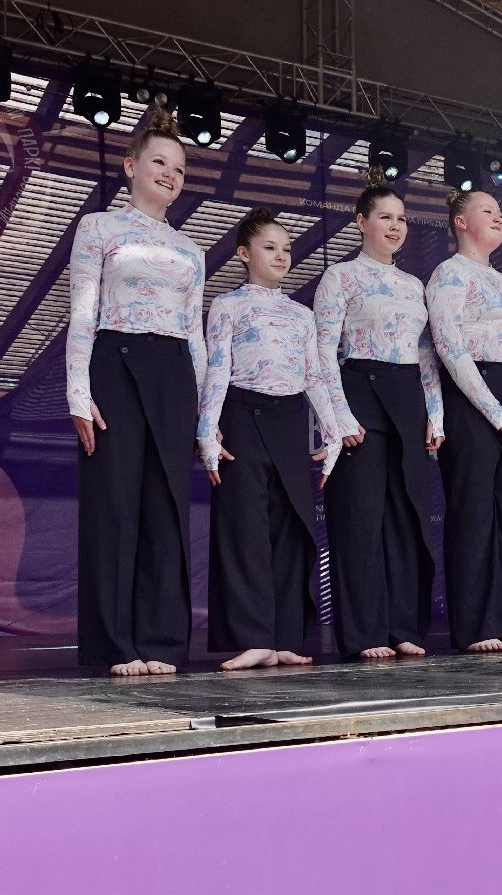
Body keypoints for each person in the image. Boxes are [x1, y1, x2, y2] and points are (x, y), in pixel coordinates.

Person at [68, 109, 206, 677]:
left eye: (178, 168)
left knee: (166, 508)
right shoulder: (98, 228)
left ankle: (162, 641)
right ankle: (114, 645)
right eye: (158, 162)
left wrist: (205, 415)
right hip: (115, 363)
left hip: (174, 369)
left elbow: (195, 333)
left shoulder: (192, 250)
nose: (170, 174)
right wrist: (78, 391)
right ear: (131, 166)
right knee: (114, 507)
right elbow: (81, 314)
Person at [200, 208, 344, 671]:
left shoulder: (301, 314)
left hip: (288, 419)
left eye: (286, 248)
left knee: (290, 527)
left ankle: (283, 636)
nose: (281, 256)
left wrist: (334, 429)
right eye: (270, 247)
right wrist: (207, 428)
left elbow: (314, 375)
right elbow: (216, 370)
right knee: (246, 528)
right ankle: (253, 636)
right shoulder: (227, 305)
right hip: (242, 414)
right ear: (244, 254)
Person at [315, 183, 441, 661]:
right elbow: (323, 350)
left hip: (407, 395)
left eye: (401, 219)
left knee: (406, 518)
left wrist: (435, 413)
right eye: (385, 217)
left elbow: (426, 357)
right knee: (361, 519)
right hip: (358, 391)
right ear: (360, 221)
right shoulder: (339, 276)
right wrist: (339, 416)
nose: (395, 226)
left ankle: (403, 626)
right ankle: (364, 632)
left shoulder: (414, 285)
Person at [426, 190, 502, 653]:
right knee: (473, 513)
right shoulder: (448, 275)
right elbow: (450, 348)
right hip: (473, 399)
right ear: (460, 222)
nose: (499, 218)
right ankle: (475, 624)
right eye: (486, 211)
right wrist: (495, 413)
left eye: (501, 213)